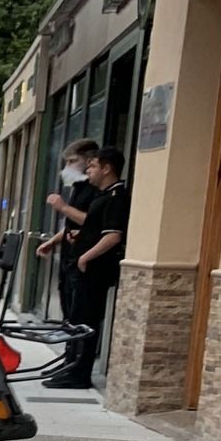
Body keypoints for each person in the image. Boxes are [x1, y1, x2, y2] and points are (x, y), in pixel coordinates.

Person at [45, 145, 128, 389]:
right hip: (82, 265)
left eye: (92, 166)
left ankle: (80, 373)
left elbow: (113, 235)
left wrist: (85, 257)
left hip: (95, 269)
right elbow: (92, 227)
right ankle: (71, 365)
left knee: (87, 321)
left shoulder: (116, 196)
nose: (88, 171)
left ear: (107, 168)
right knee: (76, 318)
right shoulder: (101, 195)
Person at [36, 138, 101, 334]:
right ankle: (69, 349)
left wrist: (63, 207)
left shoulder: (95, 190)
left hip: (83, 260)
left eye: (72, 161)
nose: (68, 167)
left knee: (81, 317)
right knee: (69, 313)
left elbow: (93, 222)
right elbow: (72, 226)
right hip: (69, 258)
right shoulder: (79, 187)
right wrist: (53, 241)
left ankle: (77, 352)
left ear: (88, 161)